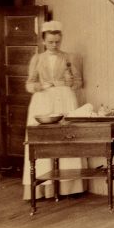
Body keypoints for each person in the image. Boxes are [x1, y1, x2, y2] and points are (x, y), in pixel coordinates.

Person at [22, 22, 85, 200]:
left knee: (67, 140)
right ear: (43, 41)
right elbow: (29, 84)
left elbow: (79, 82)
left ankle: (68, 188)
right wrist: (41, 86)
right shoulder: (37, 59)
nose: (54, 45)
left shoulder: (68, 57)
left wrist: (68, 82)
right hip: (43, 101)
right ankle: (44, 188)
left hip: (65, 100)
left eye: (57, 41)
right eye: (50, 42)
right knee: (42, 142)